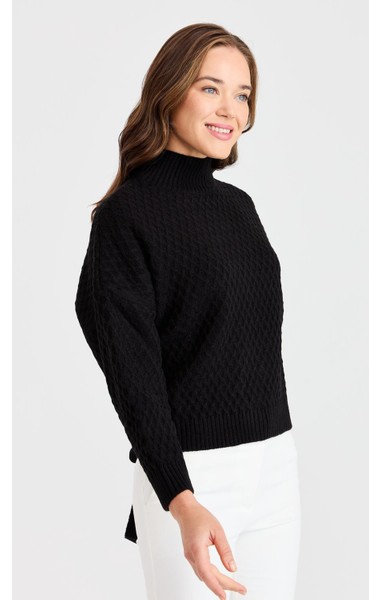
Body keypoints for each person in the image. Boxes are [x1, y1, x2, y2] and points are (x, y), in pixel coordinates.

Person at [75, 22, 301, 600]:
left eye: (242, 94)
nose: (230, 109)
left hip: (274, 464)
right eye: (209, 88)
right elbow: (133, 376)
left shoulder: (239, 208)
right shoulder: (125, 219)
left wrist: (272, 463)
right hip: (192, 477)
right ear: (170, 92)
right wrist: (179, 498)